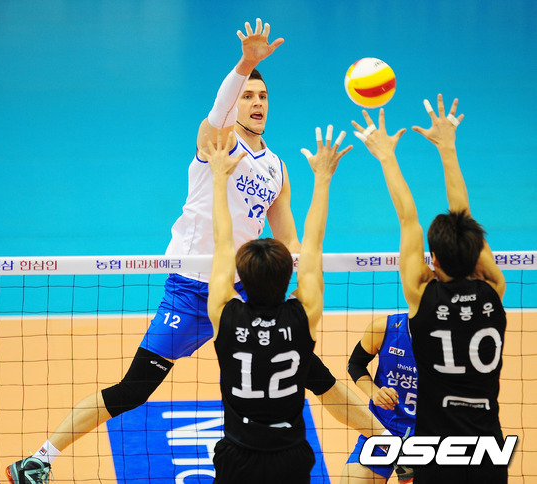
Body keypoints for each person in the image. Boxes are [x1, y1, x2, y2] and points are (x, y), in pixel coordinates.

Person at [7, 19, 382, 484]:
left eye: (263, 97)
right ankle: (40, 459)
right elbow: (218, 109)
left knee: (313, 374)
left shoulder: (277, 168)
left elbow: (288, 238)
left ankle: (390, 441)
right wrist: (245, 64)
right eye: (248, 96)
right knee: (134, 389)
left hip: (243, 293)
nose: (257, 103)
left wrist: (307, 273)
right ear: (235, 102)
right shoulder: (217, 141)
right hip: (190, 291)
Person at [351, 95, 507, 484]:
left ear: (432, 260)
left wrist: (386, 156)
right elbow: (464, 217)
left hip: (436, 452)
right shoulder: (494, 290)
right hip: (487, 449)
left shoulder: (421, 297)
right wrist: (448, 147)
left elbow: (408, 219)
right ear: (476, 254)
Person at [204, 126, 351, 483]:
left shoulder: (225, 314)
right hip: (289, 457)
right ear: (289, 276)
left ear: (241, 276)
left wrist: (219, 179)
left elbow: (223, 243)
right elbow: (312, 247)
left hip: (238, 455)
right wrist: (323, 178)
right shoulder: (302, 316)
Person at [342, 313, 416, 483]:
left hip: (429, 433)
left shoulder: (456, 341)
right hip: (383, 430)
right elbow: (355, 364)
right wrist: (374, 392)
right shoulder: (384, 328)